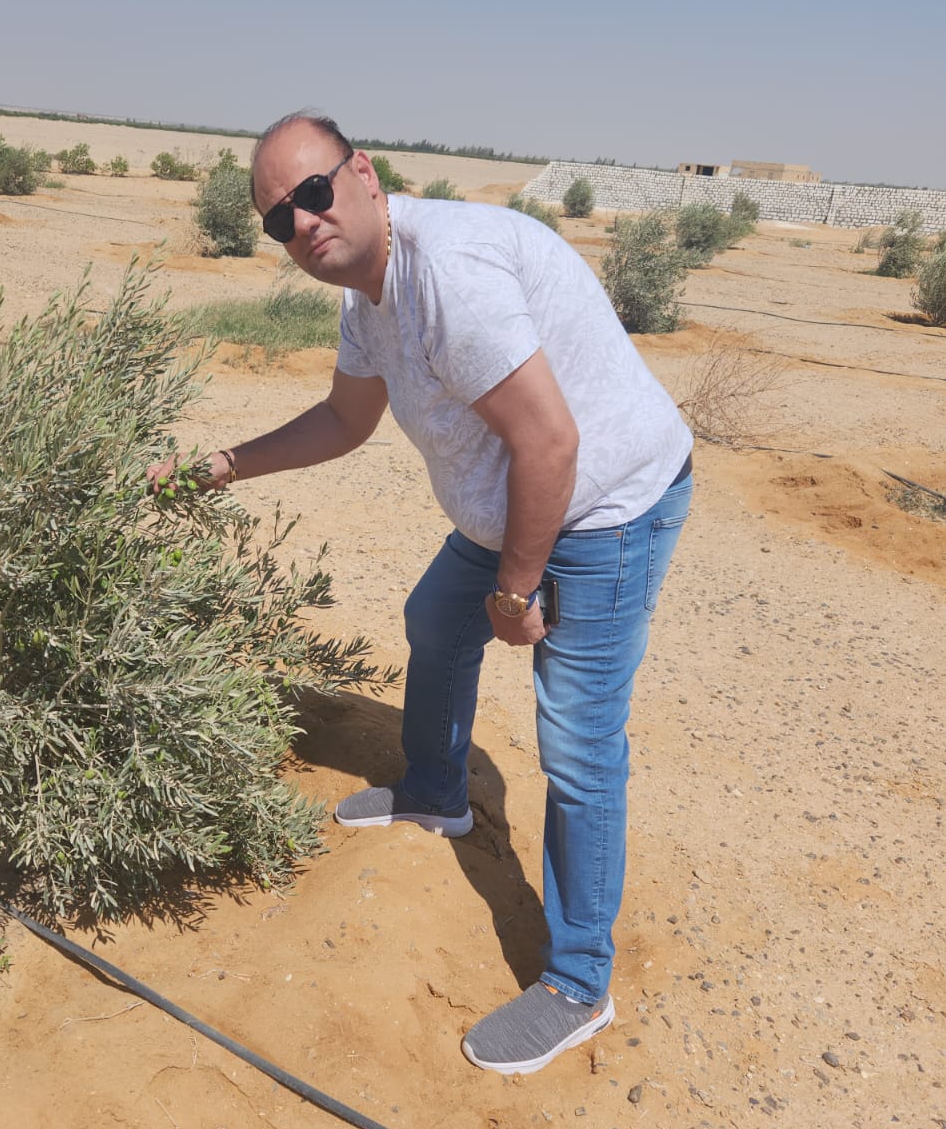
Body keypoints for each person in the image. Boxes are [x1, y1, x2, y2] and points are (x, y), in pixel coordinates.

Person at [148, 112, 693, 1075]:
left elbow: (551, 443)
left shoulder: (448, 274)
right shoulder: (368, 298)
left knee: (577, 742)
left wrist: (518, 593)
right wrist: (224, 464)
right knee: (435, 619)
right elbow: (343, 420)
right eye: (278, 219)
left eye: (313, 193)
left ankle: (579, 983)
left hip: (606, 505)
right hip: (515, 502)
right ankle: (438, 791)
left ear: (362, 173)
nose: (302, 223)